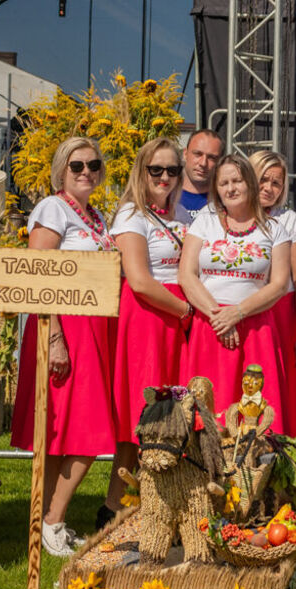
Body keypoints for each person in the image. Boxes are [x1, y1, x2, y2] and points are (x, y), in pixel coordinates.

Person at [10, 137, 116, 557]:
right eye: (77, 166)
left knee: (70, 430)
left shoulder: (96, 215)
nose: (86, 171)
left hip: (95, 327)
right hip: (64, 327)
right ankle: (52, 521)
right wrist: (53, 339)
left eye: (93, 164)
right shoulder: (52, 209)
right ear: (61, 170)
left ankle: (46, 522)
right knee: (80, 429)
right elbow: (38, 276)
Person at [99, 138, 194, 530]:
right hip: (150, 317)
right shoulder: (130, 216)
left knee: (176, 414)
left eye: (173, 170)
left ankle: (165, 504)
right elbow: (138, 281)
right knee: (141, 415)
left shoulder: (186, 215)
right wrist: (185, 310)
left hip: (179, 319)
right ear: (142, 171)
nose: (165, 178)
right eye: (157, 170)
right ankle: (116, 505)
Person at [178, 154, 293, 429]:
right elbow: (186, 275)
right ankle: (206, 472)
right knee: (208, 414)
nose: (230, 188)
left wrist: (238, 313)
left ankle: (250, 472)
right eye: (223, 183)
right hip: (210, 328)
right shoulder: (204, 223)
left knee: (254, 416)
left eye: (237, 181)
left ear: (250, 183)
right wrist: (220, 317)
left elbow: (278, 284)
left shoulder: (275, 229)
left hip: (255, 330)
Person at [248, 150, 296, 438]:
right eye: (263, 179)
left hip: (279, 320)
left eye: (276, 183)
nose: (268, 188)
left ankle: (277, 473)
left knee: (277, 400)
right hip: (237, 315)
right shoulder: (222, 215)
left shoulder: (290, 222)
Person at [175, 129, 224, 224]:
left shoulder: (225, 201)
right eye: (197, 154)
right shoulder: (165, 195)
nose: (203, 163)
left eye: (211, 158)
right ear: (185, 154)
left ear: (220, 162)